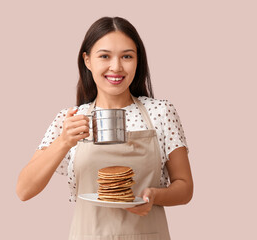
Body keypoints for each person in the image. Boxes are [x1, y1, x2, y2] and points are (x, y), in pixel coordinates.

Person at [16, 16, 193, 240]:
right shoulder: (69, 119)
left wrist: (155, 196)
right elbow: (24, 190)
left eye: (127, 56)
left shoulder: (161, 112)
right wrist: (63, 142)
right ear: (87, 60)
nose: (116, 67)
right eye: (105, 56)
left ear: (138, 61)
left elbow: (185, 188)